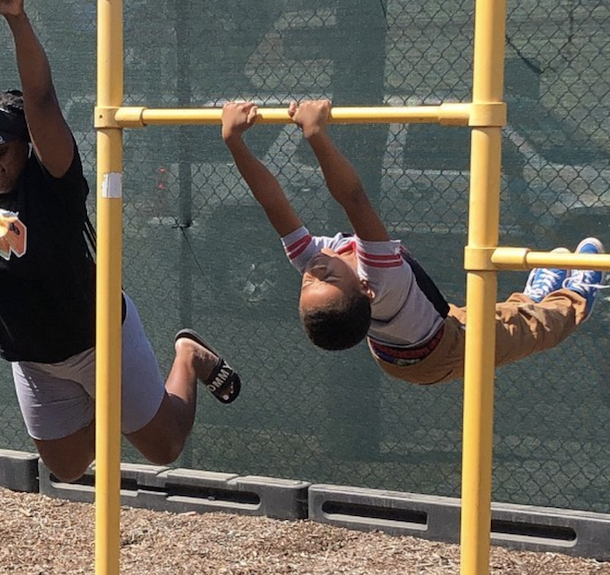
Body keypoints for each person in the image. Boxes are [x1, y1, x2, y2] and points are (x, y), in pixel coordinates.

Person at [0, 0, 241, 482]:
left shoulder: (53, 184)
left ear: (25, 146)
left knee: (164, 447)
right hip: (32, 357)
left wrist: (17, 19)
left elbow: (43, 99)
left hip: (96, 339)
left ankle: (188, 356)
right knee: (67, 468)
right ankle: (114, 406)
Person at [221, 99, 605, 385]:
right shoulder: (380, 277)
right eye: (328, 279)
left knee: (480, 315)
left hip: (418, 337)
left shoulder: (317, 263)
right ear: (366, 288)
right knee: (526, 331)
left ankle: (527, 298)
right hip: (440, 354)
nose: (316, 269)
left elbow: (271, 201)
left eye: (308, 280)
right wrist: (316, 135)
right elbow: (353, 197)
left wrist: (234, 141)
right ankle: (575, 299)